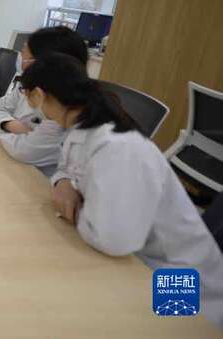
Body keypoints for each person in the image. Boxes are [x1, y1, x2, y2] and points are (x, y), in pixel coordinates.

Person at [20, 52, 223, 328]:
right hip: (138, 257)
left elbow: (114, 240)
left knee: (90, 321)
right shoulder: (81, 127)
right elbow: (66, 168)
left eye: (28, 97)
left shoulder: (117, 148)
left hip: (180, 280)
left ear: (39, 95)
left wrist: (76, 208)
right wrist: (62, 183)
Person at [0, 27, 89, 176]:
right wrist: (11, 125)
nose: (20, 57)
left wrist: (3, 131)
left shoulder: (63, 111)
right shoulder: (30, 85)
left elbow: (24, 150)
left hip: (36, 178)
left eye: (24, 53)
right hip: (14, 166)